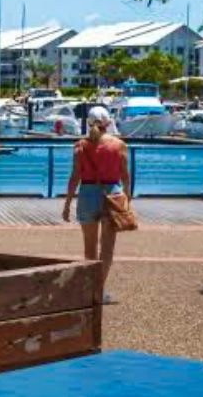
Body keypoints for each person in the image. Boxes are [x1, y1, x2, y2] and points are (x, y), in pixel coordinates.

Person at [62, 107, 131, 303]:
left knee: (89, 249)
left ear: (88, 123)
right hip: (112, 196)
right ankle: (98, 291)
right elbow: (125, 176)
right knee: (107, 249)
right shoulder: (119, 145)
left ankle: (90, 289)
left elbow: (75, 177)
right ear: (108, 123)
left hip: (87, 194)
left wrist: (67, 203)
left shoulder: (80, 146)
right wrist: (127, 198)